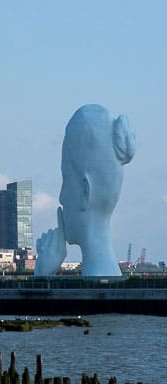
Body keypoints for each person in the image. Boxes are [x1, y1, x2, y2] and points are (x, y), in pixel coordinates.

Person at [34, 105, 134, 277]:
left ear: (85, 192)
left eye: (66, 181)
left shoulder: (93, 287)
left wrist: (41, 274)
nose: (61, 197)